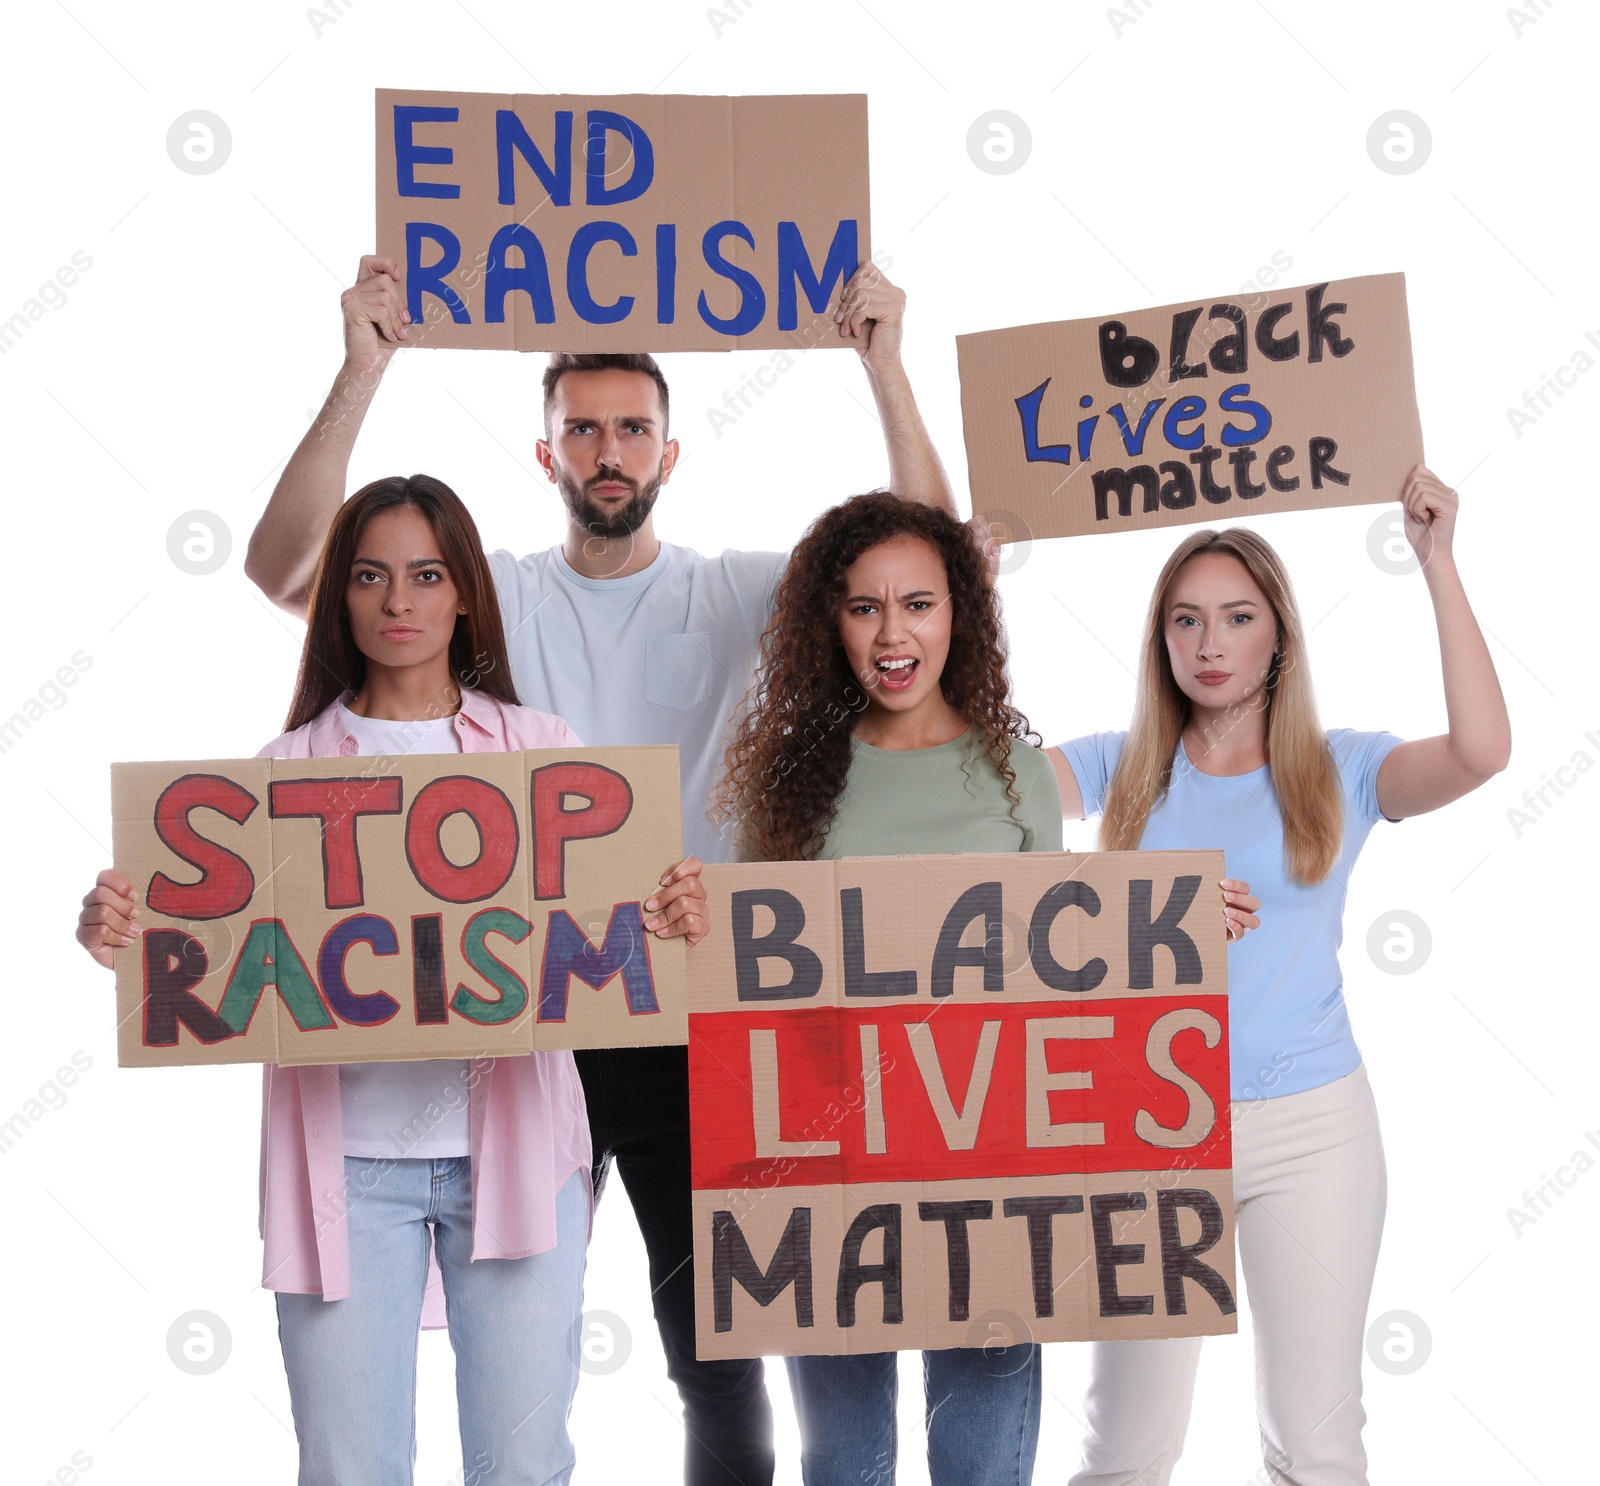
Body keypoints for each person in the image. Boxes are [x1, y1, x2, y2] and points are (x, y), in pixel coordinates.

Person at [241, 254, 958, 1486]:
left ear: (670, 452)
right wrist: (365, 369)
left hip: (687, 1016)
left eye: (633, 427)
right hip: (514, 1024)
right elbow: (286, 571)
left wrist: (885, 370)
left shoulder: (738, 591)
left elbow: (933, 559)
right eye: (583, 429)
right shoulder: (493, 597)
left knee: (714, 1352)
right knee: (517, 1355)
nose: (609, 448)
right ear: (548, 455)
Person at [76, 475, 709, 1486]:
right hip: (344, 1173)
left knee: (522, 1466)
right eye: (370, 576)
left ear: (463, 592)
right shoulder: (280, 773)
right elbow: (208, 949)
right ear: (341, 596)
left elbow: (610, 935)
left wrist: (672, 911)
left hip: (517, 1158)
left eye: (425, 574)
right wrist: (123, 926)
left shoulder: (543, 752)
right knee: (348, 1467)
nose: (398, 601)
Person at [1050, 467, 1511, 1486]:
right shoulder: (1120, 766)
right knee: (1125, 1450)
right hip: (1149, 1129)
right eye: (1185, 620)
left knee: (1313, 1440)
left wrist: (1436, 562)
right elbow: (970, 826)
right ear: (1160, 639)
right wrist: (1142, 903)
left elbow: (1482, 751)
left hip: (1312, 1126)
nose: (1209, 643)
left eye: (1236, 617)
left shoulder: (1340, 768)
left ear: (1277, 636)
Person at [715, 491, 1060, 1486]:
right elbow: (742, 994)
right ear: (830, 621)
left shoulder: (1015, 779)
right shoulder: (788, 780)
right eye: (863, 607)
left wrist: (1173, 928)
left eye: (918, 602)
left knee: (980, 1469)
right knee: (845, 1469)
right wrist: (691, 916)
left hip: (990, 1175)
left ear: (961, 612)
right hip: (830, 1178)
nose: (893, 632)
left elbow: (1069, 985)